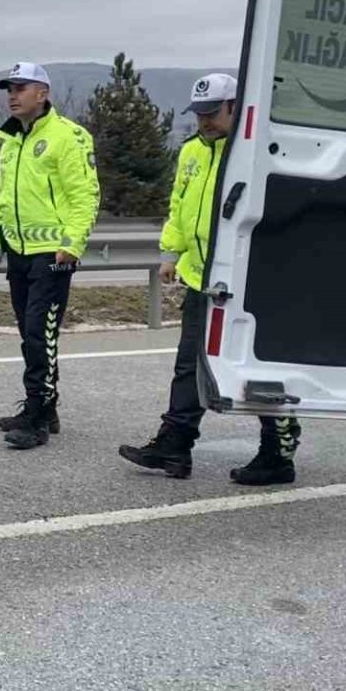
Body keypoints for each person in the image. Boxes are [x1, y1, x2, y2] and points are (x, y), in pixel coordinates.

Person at [119, 74, 302, 485]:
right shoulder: (191, 152)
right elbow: (179, 205)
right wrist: (171, 252)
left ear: (237, 107)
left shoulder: (258, 152)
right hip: (202, 277)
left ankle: (278, 451)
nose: (204, 120)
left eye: (212, 112)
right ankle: (175, 445)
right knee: (190, 364)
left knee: (258, 367)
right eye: (199, 113)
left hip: (252, 280)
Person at [0, 62, 100, 450]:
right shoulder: (11, 140)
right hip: (18, 250)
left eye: (20, 88)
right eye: (9, 89)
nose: (12, 96)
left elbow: (85, 194)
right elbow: (5, 199)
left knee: (39, 332)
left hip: (53, 253)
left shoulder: (68, 136)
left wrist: (73, 243)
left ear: (43, 93)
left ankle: (37, 416)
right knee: (29, 333)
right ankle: (45, 408)